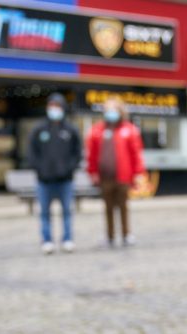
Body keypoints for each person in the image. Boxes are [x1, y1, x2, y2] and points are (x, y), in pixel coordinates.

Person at [86, 97, 145, 248]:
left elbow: (136, 153)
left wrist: (138, 173)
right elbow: (91, 154)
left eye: (114, 109)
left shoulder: (129, 130)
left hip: (123, 177)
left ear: (120, 111)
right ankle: (110, 236)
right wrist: (92, 171)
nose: (111, 113)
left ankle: (126, 234)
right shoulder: (97, 130)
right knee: (108, 208)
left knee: (123, 206)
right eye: (108, 109)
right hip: (105, 177)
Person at [27, 93, 82, 254]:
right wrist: (39, 169)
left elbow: (77, 153)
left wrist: (69, 168)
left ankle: (67, 239)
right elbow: (31, 153)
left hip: (65, 180)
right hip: (44, 180)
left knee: (66, 211)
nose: (54, 110)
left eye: (57, 106)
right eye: (51, 106)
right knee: (44, 213)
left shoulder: (70, 130)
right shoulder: (39, 129)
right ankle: (47, 240)